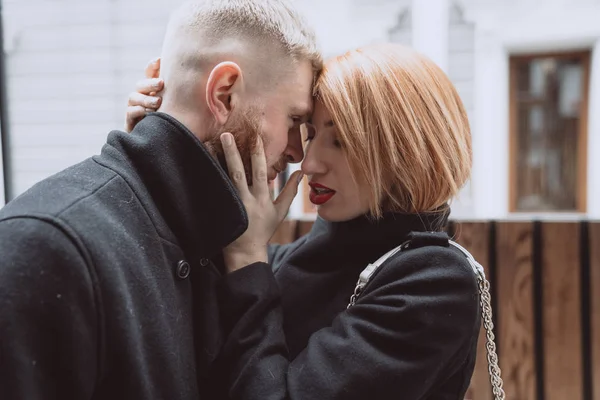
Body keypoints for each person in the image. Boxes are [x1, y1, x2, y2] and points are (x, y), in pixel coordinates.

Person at [0, 1, 321, 399]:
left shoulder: (216, 243)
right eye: (294, 120)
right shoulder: (43, 248)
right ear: (224, 94)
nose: (297, 153)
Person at [126, 42, 483, 399]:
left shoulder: (433, 281)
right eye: (311, 134)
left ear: (406, 149)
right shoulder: (291, 260)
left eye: (340, 141)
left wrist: (248, 259)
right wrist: (159, 141)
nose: (309, 164)